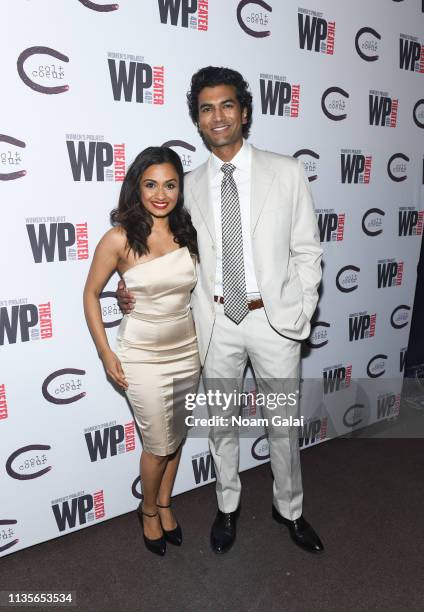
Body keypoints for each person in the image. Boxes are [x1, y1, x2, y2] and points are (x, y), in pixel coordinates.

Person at [118, 67, 324, 555]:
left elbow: (307, 251)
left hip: (274, 321)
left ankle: (289, 508)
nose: (218, 116)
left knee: (282, 422)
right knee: (222, 423)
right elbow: (159, 250)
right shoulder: (184, 185)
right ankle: (227, 505)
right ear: (197, 119)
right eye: (207, 108)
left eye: (227, 105)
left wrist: (304, 310)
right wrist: (130, 291)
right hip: (213, 323)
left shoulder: (287, 171)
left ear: (244, 111)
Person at [83, 146, 200, 556]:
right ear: (137, 186)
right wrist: (104, 353)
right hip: (141, 356)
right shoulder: (118, 237)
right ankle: (147, 510)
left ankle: (166, 502)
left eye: (170, 184)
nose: (161, 194)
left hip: (188, 350)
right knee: (158, 444)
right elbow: (90, 294)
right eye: (151, 184)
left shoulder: (188, 232)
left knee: (178, 436)